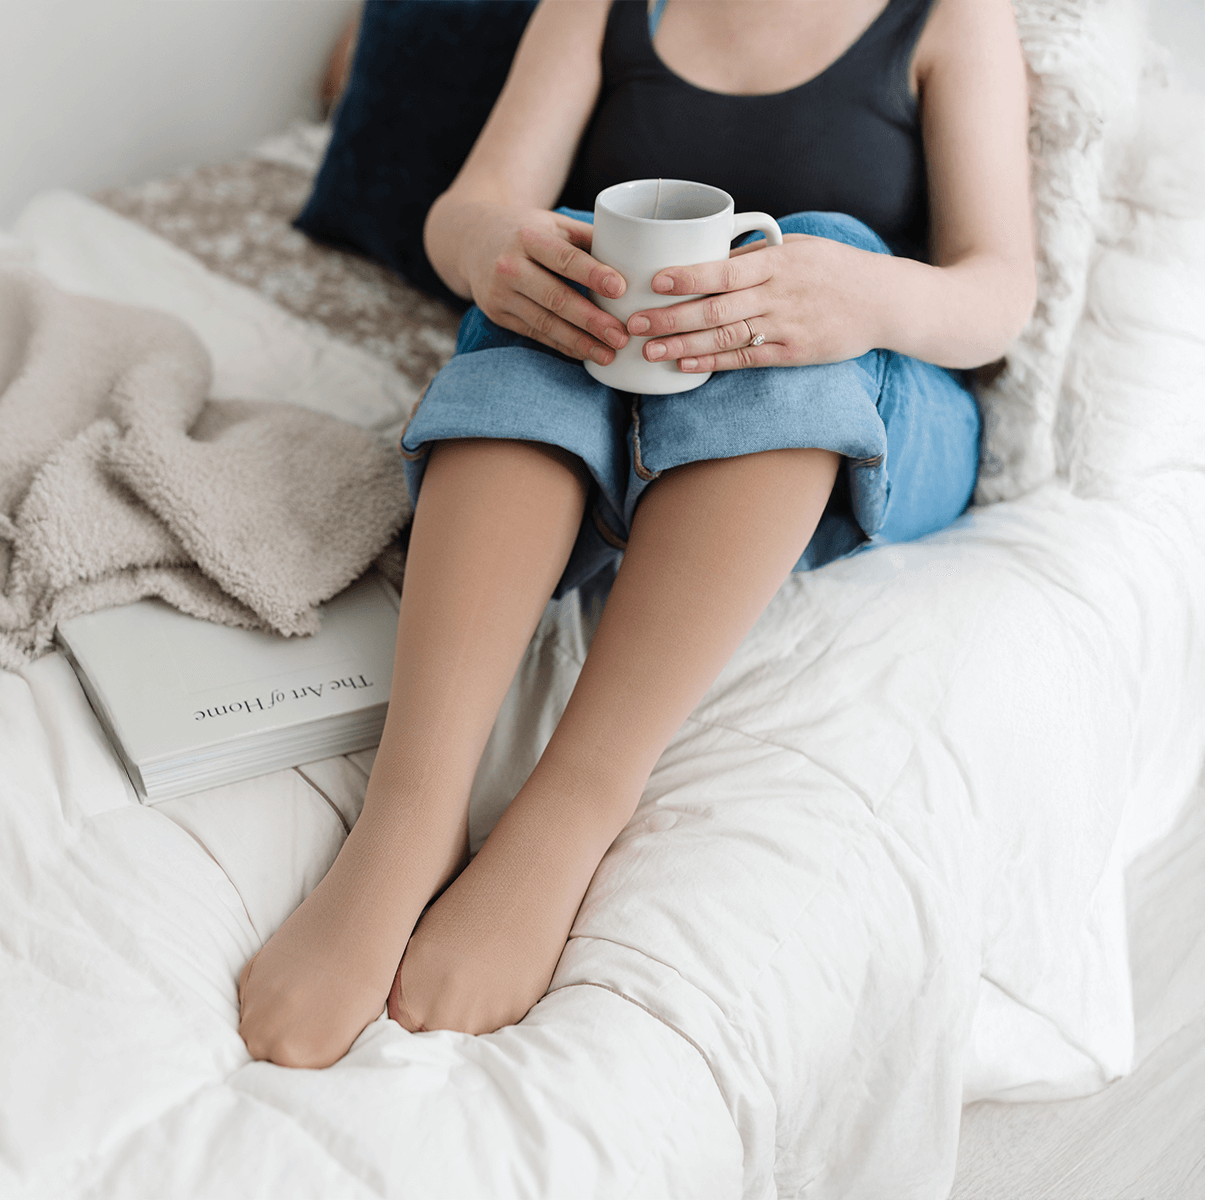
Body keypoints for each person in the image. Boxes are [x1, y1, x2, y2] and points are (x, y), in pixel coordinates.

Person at [237, 0, 1035, 1068]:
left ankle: (571, 810)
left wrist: (858, 289)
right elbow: (467, 208)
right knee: (550, 269)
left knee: (818, 241)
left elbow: (1001, 292)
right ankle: (411, 814)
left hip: (876, 400)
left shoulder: (955, 17)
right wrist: (502, 249)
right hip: (632, 378)